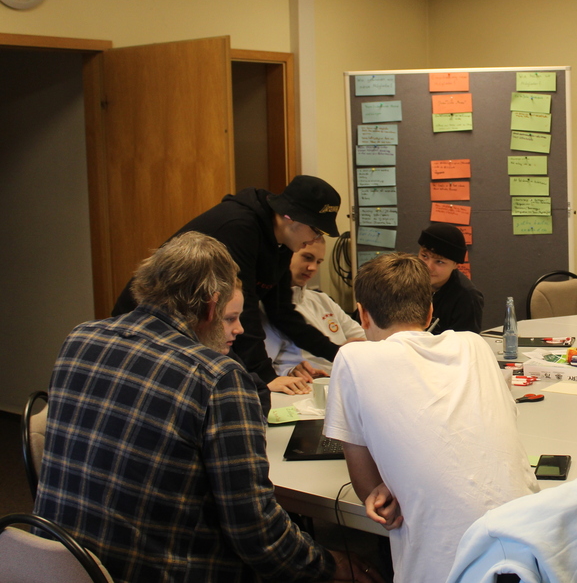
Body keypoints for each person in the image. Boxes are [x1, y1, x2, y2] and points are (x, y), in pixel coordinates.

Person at [35, 232, 381, 583]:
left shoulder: (79, 339)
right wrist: (329, 564)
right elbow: (256, 532)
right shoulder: (217, 378)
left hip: (64, 564)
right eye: (232, 317)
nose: (240, 329)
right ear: (210, 306)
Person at [324, 252, 538, 583]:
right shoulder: (475, 346)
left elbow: (367, 489)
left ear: (362, 315)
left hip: (442, 571)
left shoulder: (353, 358)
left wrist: (389, 483)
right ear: (430, 312)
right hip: (531, 552)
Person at [112, 175, 342, 395]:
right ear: (291, 216)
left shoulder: (281, 245)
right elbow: (245, 310)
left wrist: (340, 355)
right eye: (316, 230)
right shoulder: (240, 227)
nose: (314, 240)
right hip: (150, 323)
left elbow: (282, 312)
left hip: (192, 328)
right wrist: (265, 376)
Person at [263, 236, 365, 379]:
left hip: (343, 381)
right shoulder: (266, 309)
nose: (313, 268)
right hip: (303, 391)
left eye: (318, 262)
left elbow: (363, 338)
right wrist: (288, 372)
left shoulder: (321, 300)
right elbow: (260, 369)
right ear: (287, 255)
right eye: (307, 258)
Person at [417, 222, 484, 334]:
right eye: (424, 256)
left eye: (439, 262)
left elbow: (465, 345)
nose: (428, 266)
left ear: (455, 265)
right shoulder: (404, 282)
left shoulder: (467, 297)